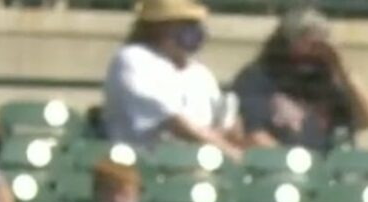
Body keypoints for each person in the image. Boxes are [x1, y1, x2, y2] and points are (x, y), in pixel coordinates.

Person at [102, 0, 243, 158]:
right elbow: (174, 123)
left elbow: (223, 125)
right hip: (144, 162)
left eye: (195, 23)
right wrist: (225, 149)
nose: (194, 30)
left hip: (202, 161)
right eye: (184, 23)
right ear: (157, 27)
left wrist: (232, 131)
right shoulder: (134, 60)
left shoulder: (200, 73)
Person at [232, 6, 368, 152]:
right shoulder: (256, 77)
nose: (314, 51)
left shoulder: (327, 77)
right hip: (279, 160)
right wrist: (296, 160)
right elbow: (254, 135)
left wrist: (342, 68)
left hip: (328, 160)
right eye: (308, 42)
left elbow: (364, 119)